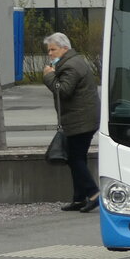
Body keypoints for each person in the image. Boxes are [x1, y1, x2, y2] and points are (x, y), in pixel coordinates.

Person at [42, 32, 101, 212]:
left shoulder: (70, 66)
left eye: (53, 49)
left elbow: (63, 90)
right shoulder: (73, 61)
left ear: (64, 48)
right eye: (49, 50)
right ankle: (79, 198)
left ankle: (93, 193)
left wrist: (48, 76)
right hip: (83, 118)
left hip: (80, 121)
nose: (50, 53)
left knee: (74, 158)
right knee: (76, 157)